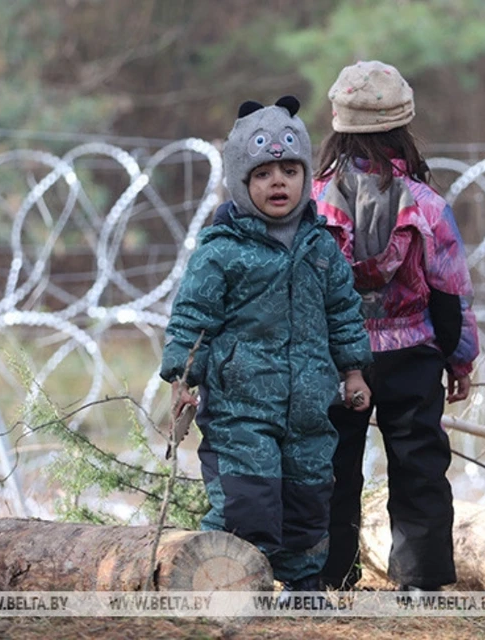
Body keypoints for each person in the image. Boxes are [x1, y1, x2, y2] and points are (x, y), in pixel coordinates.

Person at [160, 96, 373, 593]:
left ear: (304, 177)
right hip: (241, 408)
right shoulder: (223, 250)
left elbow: (344, 314)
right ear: (240, 181)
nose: (278, 182)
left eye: (289, 169)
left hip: (309, 409)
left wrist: (354, 371)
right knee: (247, 502)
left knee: (307, 504)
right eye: (262, 173)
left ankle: (302, 589)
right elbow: (193, 318)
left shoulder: (321, 247)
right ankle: (218, 584)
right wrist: (184, 377)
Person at [312, 60, 480, 592]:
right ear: (403, 125)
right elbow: (450, 288)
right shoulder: (427, 206)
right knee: (419, 468)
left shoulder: (314, 202)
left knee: (332, 466)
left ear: (338, 124)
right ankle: (422, 580)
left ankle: (328, 575)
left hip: (337, 355)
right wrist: (459, 358)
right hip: (413, 352)